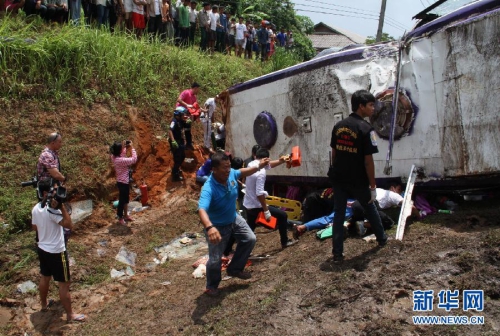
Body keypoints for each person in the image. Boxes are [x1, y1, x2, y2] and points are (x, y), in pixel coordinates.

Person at [198, 151, 270, 296]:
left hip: (234, 218)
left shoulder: (231, 174)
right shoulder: (208, 188)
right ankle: (211, 286)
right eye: (224, 168)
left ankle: (235, 269)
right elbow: (202, 209)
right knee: (215, 259)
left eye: (229, 166)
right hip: (217, 226)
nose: (228, 170)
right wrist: (210, 227)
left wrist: (258, 167)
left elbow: (242, 171)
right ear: (214, 169)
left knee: (250, 238)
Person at [328, 89, 388, 263]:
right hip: (357, 179)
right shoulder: (366, 129)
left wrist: (337, 170)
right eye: (370, 105)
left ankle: (337, 254)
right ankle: (382, 239)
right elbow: (368, 162)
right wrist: (373, 186)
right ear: (361, 106)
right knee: (370, 207)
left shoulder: (339, 126)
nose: (373, 108)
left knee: (338, 215)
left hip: (339, 178)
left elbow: (334, 153)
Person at [32, 181, 86, 323]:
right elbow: (69, 225)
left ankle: (43, 305)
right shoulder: (52, 211)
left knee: (45, 277)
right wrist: (61, 207)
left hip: (42, 248)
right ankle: (70, 315)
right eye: (54, 190)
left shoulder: (36, 208)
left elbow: (34, 227)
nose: (57, 193)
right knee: (64, 284)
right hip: (56, 251)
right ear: (46, 193)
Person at [243, 148, 296, 249]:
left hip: (248, 203)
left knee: (249, 228)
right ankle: (284, 242)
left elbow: (269, 164)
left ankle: (228, 249)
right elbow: (259, 194)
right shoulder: (261, 172)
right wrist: (266, 210)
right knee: (282, 215)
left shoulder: (252, 164)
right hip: (256, 205)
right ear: (266, 159)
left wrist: (282, 160)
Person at [110, 140, 138, 225]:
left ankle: (125, 215)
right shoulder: (121, 160)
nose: (123, 149)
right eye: (121, 148)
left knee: (126, 200)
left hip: (122, 181)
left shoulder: (113, 157)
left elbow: (122, 153)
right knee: (122, 201)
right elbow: (134, 159)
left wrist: (125, 146)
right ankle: (120, 216)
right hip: (123, 183)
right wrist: (132, 148)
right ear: (119, 150)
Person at [176, 82, 200, 150]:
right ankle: (179, 144)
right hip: (180, 113)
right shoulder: (186, 92)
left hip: (187, 114)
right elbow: (179, 100)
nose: (198, 91)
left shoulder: (194, 97)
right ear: (195, 88)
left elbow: (195, 107)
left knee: (188, 129)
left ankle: (189, 144)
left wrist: (197, 116)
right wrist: (187, 105)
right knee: (179, 129)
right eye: (198, 89)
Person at [168, 106, 188, 181]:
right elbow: (170, 131)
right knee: (178, 158)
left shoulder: (181, 121)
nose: (184, 116)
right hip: (176, 142)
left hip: (181, 142)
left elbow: (186, 126)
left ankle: (176, 168)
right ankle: (175, 175)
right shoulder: (174, 121)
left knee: (182, 156)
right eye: (183, 114)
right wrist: (173, 141)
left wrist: (188, 121)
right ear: (178, 114)